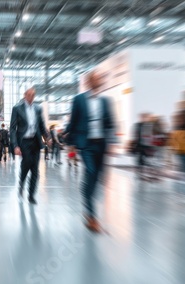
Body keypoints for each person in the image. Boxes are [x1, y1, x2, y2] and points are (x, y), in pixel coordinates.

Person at [65, 71, 116, 233]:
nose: (99, 80)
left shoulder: (105, 101)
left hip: (101, 144)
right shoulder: (78, 100)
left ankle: (86, 197)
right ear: (88, 82)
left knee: (96, 178)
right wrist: (70, 144)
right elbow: (73, 122)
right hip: (85, 144)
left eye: (100, 78)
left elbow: (110, 123)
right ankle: (91, 216)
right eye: (95, 78)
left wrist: (113, 142)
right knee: (91, 172)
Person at [10, 88, 51, 204]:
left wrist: (47, 137)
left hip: (36, 142)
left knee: (35, 170)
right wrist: (15, 145)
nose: (31, 97)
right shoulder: (17, 108)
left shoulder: (38, 108)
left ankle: (31, 195)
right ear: (25, 95)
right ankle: (21, 183)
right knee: (26, 164)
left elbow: (42, 126)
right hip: (24, 142)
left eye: (33, 95)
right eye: (29, 95)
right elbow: (12, 129)